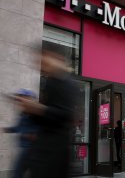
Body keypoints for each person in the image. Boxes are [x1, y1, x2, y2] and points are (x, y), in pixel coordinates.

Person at [14, 47, 78, 178]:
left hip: (55, 154)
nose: (41, 66)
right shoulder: (50, 82)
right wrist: (30, 111)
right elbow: (44, 118)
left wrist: (38, 109)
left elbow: (67, 116)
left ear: (56, 57)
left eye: (43, 61)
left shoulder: (68, 83)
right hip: (42, 152)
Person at [3, 89, 38, 178]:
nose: (19, 102)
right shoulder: (23, 114)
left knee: (18, 173)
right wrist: (5, 130)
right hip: (25, 148)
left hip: (30, 149)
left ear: (30, 99)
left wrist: (29, 134)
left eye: (22, 98)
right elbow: (18, 128)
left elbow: (39, 130)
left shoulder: (34, 114)